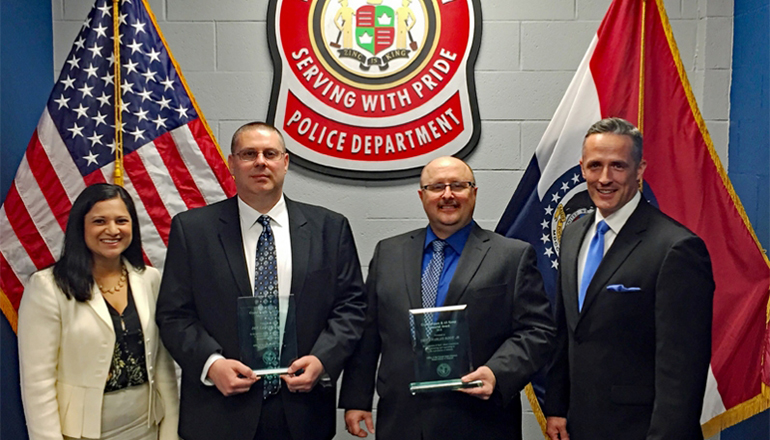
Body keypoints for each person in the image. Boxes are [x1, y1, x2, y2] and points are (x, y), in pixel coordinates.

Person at [155, 122, 367, 440]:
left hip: (303, 411)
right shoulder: (193, 230)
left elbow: (351, 308)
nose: (260, 162)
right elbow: (174, 314)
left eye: (270, 153)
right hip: (219, 411)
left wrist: (323, 360)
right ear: (232, 163)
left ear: (285, 162)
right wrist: (211, 364)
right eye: (248, 154)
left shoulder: (329, 228)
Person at [339, 156, 555, 440]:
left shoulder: (512, 256)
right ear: (422, 195)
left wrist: (496, 372)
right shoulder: (389, 252)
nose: (448, 195)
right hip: (403, 419)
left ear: (474, 192)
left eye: (458, 186)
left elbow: (537, 331)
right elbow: (368, 334)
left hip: (480, 420)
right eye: (437, 187)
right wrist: (357, 399)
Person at [544, 118, 714, 440]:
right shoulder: (573, 233)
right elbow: (565, 332)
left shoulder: (676, 249)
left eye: (618, 166)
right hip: (578, 425)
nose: (605, 178)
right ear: (582, 168)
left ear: (640, 169)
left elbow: (681, 371)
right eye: (595, 166)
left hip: (641, 431)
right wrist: (556, 407)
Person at [18, 183, 179, 440]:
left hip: (147, 427)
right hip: (80, 433)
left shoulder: (150, 278)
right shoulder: (48, 287)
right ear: (80, 226)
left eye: (121, 221)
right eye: (100, 221)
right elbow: (38, 384)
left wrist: (170, 432)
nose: (112, 230)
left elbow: (163, 366)